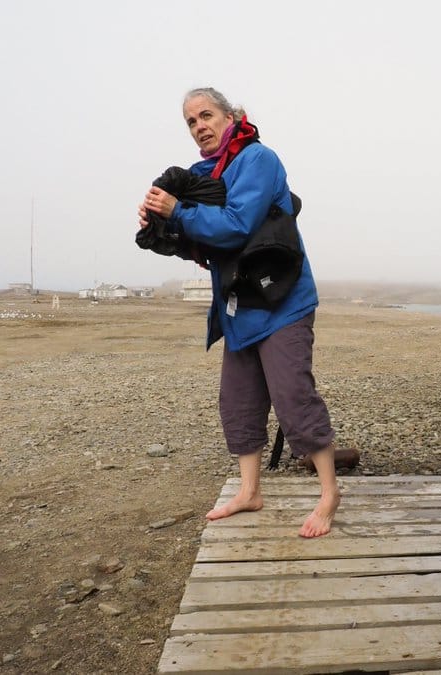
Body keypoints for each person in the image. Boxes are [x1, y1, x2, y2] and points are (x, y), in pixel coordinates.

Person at [138, 87, 341, 538]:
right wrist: (162, 225)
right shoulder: (201, 175)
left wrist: (178, 210)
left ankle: (329, 493)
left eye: (206, 115)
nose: (199, 126)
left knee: (293, 397)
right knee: (238, 402)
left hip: (281, 301)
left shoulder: (258, 159)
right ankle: (250, 491)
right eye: (191, 122)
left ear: (232, 116)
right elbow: (205, 244)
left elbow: (237, 225)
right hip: (239, 305)